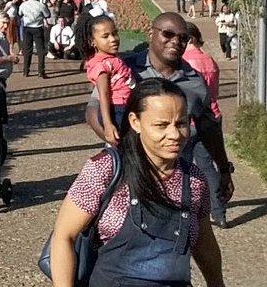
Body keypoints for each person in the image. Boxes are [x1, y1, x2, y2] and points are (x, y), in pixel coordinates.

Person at [51, 78, 227, 287]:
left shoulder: (195, 181)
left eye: (180, 124)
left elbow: (204, 245)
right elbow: (63, 236)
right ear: (135, 122)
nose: (174, 135)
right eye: (161, 125)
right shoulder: (106, 169)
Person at [86, 12, 235, 203]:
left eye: (183, 38)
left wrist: (224, 169)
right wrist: (114, 140)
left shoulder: (196, 82)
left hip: (174, 181)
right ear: (151, 34)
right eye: (167, 34)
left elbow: (208, 128)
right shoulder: (124, 68)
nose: (175, 41)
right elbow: (93, 110)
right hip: (128, 177)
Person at [183, 22, 228, 229]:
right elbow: (214, 93)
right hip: (210, 118)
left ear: (188, 39)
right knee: (208, 167)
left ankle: (182, 211)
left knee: (180, 168)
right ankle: (219, 213)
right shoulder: (210, 60)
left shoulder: (184, 62)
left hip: (188, 120)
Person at [80, 14, 135, 145]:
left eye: (115, 33)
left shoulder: (112, 58)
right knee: (125, 146)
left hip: (124, 106)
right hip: (117, 110)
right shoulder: (102, 65)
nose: (113, 39)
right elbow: (104, 94)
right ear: (92, 42)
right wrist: (108, 124)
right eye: (105, 36)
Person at [18, 0, 49, 78]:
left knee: (27, 50)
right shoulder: (40, 5)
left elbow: (20, 13)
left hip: (27, 28)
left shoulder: (23, 5)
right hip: (37, 28)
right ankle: (41, 71)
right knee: (40, 50)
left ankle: (26, 71)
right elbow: (47, 15)